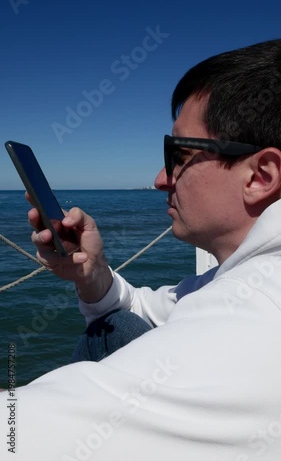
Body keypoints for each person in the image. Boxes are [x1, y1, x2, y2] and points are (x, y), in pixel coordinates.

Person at [1, 38, 281, 461]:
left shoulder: (250, 327)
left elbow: (20, 436)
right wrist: (90, 274)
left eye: (179, 155)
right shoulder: (240, 283)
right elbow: (147, 309)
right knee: (111, 326)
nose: (159, 179)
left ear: (261, 175)